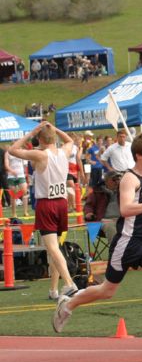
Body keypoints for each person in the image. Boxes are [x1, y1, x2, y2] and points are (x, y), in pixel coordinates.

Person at [52, 133, 142, 341]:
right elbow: (126, 209)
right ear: (138, 156)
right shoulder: (129, 179)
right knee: (107, 290)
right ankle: (68, 304)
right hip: (127, 243)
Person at [10, 122, 78, 298]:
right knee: (55, 248)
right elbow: (70, 139)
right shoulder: (65, 151)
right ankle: (54, 290)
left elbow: (12, 150)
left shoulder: (40, 155)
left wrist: (32, 131)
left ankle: (69, 283)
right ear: (54, 137)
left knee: (53, 249)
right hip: (62, 203)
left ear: (39, 138)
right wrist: (55, 129)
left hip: (47, 204)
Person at [4, 148, 29, 218]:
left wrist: (26, 174)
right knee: (13, 195)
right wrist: (11, 171)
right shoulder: (8, 152)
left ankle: (25, 212)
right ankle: (14, 213)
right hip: (11, 176)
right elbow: (6, 165)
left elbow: (25, 164)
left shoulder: (21, 151)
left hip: (21, 175)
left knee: (24, 192)